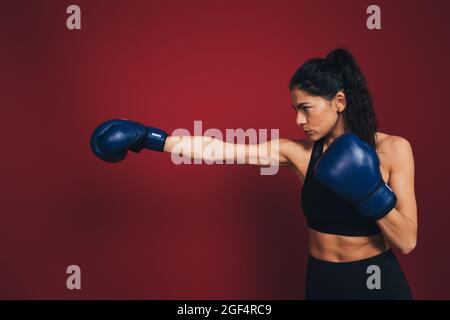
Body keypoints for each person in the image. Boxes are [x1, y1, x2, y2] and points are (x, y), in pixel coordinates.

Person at [90, 48, 417, 299]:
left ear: (340, 101)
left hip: (375, 281)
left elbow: (406, 241)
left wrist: (371, 191)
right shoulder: (299, 152)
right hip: (321, 280)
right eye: (295, 111)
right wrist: (150, 138)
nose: (299, 121)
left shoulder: (392, 150)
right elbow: (217, 150)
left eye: (307, 109)